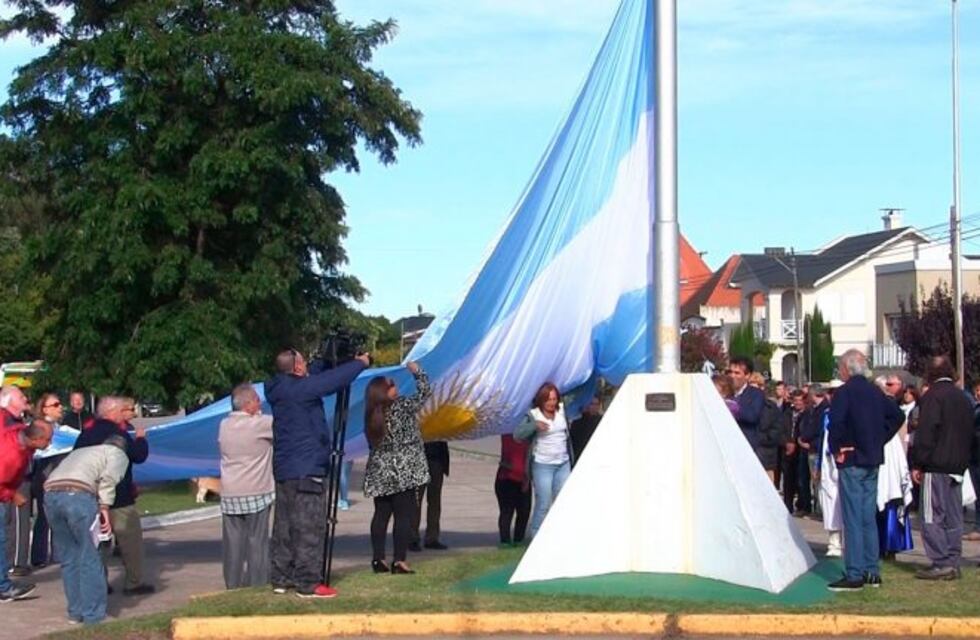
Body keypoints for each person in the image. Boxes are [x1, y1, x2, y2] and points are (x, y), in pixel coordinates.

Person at [265, 347, 369, 598]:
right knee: (309, 527)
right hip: (307, 468)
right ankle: (308, 582)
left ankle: (282, 577)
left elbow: (317, 375)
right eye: (304, 363)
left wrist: (328, 357)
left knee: (285, 526)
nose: (308, 366)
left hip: (286, 469)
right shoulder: (302, 389)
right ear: (298, 368)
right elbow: (331, 382)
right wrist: (360, 363)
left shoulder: (278, 388)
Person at [826, 350, 903, 592]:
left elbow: (836, 423)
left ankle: (855, 573)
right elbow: (897, 416)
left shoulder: (844, 392)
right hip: (872, 458)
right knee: (868, 516)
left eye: (840, 367)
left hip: (851, 458)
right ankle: (872, 570)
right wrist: (879, 439)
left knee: (853, 517)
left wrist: (836, 448)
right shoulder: (875, 392)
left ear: (847, 369)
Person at [44, 433, 130, 624]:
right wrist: (105, 507)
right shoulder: (117, 454)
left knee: (69, 557)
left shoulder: (81, 452)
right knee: (91, 556)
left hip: (51, 494)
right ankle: (93, 616)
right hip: (79, 496)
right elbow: (109, 479)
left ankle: (75, 612)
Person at [73, 397, 154, 596]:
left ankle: (100, 583)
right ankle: (133, 583)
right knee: (130, 542)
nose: (122, 414)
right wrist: (142, 439)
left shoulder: (86, 434)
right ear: (111, 412)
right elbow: (138, 456)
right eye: (120, 410)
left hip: (92, 496)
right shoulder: (119, 434)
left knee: (99, 544)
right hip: (120, 496)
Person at [363, 362, 431, 575]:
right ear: (386, 391)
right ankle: (399, 560)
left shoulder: (371, 415)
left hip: (380, 471)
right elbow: (425, 392)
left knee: (381, 514)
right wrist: (417, 371)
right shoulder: (401, 407)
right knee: (403, 516)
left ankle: (378, 559)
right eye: (392, 384)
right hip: (404, 471)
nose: (396, 386)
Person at [911, 356, 974, 580]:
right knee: (954, 516)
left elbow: (926, 433)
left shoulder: (933, 397)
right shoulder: (963, 398)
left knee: (931, 514)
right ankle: (953, 559)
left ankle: (941, 560)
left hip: (936, 464)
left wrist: (918, 462)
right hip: (958, 465)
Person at [218, 383, 274, 589]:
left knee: (232, 545)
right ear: (248, 404)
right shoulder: (261, 424)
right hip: (256, 492)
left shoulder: (224, 425)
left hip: (230, 493)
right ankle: (257, 584)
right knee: (257, 542)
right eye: (257, 400)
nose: (260, 404)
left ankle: (232, 585)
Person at [0, 418, 52, 602]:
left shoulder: (20, 433)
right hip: (3, 490)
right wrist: (13, 494)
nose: (50, 443)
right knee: (1, 539)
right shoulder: (11, 456)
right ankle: (3, 588)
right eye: (47, 439)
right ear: (35, 440)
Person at [514, 382, 573, 538]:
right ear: (541, 400)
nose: (552, 403)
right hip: (543, 465)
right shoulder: (533, 414)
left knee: (563, 502)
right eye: (548, 400)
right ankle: (536, 537)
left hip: (563, 464)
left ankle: (559, 536)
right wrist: (534, 426)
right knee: (544, 503)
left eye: (554, 399)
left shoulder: (562, 411)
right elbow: (517, 435)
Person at [31, 392, 81, 568]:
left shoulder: (63, 429)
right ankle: (38, 556)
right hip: (44, 478)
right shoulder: (39, 428)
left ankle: (58, 553)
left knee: (58, 515)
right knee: (44, 517)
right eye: (56, 404)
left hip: (60, 477)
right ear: (44, 408)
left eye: (60, 404)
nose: (61, 407)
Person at [411, 441, 450, 552]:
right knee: (415, 501)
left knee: (435, 502)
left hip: (437, 459)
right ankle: (412, 538)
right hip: (418, 460)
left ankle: (432, 538)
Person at [495, 433, 531, 546]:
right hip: (506, 477)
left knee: (524, 512)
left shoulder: (529, 433)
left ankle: (518, 540)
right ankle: (505, 541)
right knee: (507, 511)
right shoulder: (507, 431)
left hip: (524, 479)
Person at [729, 357, 766, 459]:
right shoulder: (724, 392)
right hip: (726, 446)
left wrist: (734, 408)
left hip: (746, 448)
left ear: (747, 375)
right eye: (730, 372)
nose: (732, 376)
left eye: (737, 373)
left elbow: (753, 416)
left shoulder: (756, 394)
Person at [749, 372, 783, 483]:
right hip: (748, 457)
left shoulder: (771, 408)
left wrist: (758, 438)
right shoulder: (743, 406)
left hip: (766, 458)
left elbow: (776, 432)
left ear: (762, 388)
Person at [782, 389, 807, 515]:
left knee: (801, 480)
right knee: (788, 479)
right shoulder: (787, 413)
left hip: (801, 449)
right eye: (795, 400)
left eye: (800, 400)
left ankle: (802, 505)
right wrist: (786, 442)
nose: (797, 403)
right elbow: (781, 429)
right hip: (787, 449)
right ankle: (788, 505)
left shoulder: (807, 414)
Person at [569, 396, 602, 466]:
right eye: (592, 404)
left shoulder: (602, 420)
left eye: (597, 404)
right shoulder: (578, 421)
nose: (594, 406)